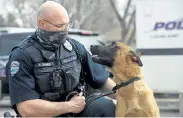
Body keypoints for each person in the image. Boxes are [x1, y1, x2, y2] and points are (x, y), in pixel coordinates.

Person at [5, 1, 116, 117]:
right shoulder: (22, 56)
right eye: (60, 26)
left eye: (67, 25)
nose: (65, 30)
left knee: (104, 107)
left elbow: (102, 80)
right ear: (41, 24)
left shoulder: (75, 48)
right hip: (44, 114)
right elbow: (26, 108)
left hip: (75, 111)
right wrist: (69, 106)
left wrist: (128, 95)